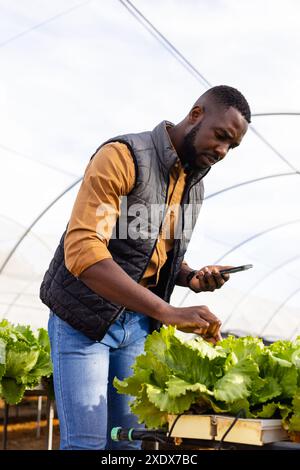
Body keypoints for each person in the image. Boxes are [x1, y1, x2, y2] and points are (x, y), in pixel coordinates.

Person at [40, 85, 250, 450]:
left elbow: (155, 249)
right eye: (221, 136)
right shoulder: (123, 156)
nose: (222, 151)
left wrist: (190, 277)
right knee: (87, 445)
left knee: (129, 444)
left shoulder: (192, 184)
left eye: (232, 146)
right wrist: (167, 311)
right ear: (196, 113)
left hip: (136, 327)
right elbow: (84, 252)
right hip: (85, 318)